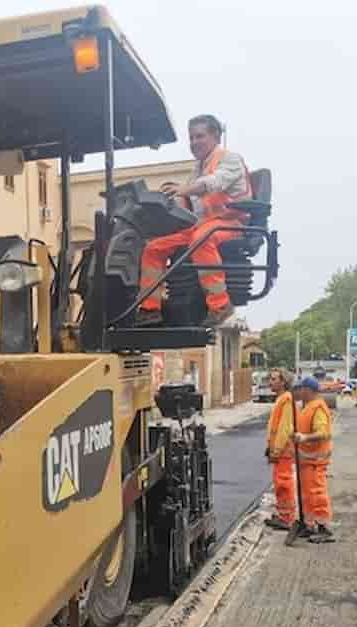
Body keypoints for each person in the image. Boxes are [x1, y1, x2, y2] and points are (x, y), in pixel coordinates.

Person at [139, 114, 251, 327]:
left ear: (216, 136)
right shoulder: (198, 167)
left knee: (201, 239)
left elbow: (212, 183)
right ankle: (150, 310)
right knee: (153, 248)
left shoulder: (229, 159)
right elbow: (188, 201)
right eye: (191, 138)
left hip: (231, 223)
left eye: (200, 136)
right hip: (203, 225)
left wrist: (183, 189)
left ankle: (220, 305)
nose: (194, 142)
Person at [293, 376, 334, 543]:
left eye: (301, 389)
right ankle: (310, 525)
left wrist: (303, 438)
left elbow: (322, 433)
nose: (299, 392)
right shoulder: (307, 407)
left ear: (308, 390)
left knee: (317, 494)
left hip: (315, 461)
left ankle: (323, 527)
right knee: (308, 495)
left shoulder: (317, 408)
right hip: (307, 461)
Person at [264, 369, 296, 531]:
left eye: (274, 379)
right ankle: (283, 514)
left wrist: (276, 450)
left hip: (283, 451)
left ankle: (287, 518)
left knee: (284, 483)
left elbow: (285, 428)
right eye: (270, 378)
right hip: (279, 449)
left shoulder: (286, 400)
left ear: (283, 382)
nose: (270, 382)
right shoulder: (282, 399)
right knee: (279, 483)